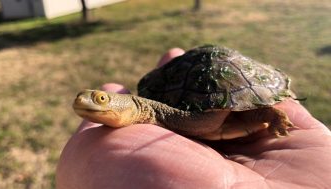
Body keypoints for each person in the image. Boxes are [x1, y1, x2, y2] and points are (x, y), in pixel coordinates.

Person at [56, 48, 331, 189]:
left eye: (101, 98)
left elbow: (230, 107)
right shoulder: (151, 110)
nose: (86, 102)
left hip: (231, 75)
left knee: (214, 114)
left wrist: (267, 111)